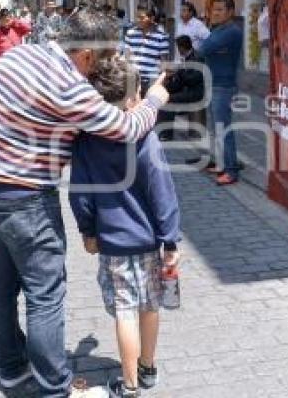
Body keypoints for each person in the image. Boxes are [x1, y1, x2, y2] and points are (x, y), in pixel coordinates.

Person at [0, 10, 170, 398]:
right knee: (45, 297)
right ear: (89, 56)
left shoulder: (20, 55)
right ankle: (56, 389)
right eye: (106, 59)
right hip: (24, 200)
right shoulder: (68, 85)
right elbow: (126, 128)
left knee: (0, 287)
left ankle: (12, 370)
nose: (105, 69)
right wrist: (154, 100)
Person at [69, 55, 181, 398]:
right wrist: (171, 241)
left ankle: (129, 385)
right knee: (149, 306)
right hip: (147, 241)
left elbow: (81, 193)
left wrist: (87, 231)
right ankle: (147, 369)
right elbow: (162, 192)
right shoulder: (146, 139)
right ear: (134, 98)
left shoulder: (86, 140)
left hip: (112, 242)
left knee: (125, 311)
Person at [199, 0, 243, 186]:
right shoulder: (218, 29)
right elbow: (207, 48)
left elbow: (204, 48)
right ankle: (221, 163)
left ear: (231, 12)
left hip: (223, 87)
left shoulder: (231, 31)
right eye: (213, 9)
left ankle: (231, 171)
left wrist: (211, 47)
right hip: (213, 84)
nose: (214, 13)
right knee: (217, 128)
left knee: (223, 129)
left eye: (219, 10)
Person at [158, 35, 205, 141]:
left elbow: (193, 79)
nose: (178, 50)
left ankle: (166, 134)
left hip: (196, 92)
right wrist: (167, 87)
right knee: (165, 96)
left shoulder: (197, 58)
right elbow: (180, 81)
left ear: (182, 48)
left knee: (168, 101)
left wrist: (179, 71)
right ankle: (163, 131)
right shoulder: (186, 58)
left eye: (178, 48)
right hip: (187, 89)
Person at [123, 5, 170, 95]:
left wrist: (161, 81)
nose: (138, 20)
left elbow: (164, 61)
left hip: (152, 80)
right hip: (134, 80)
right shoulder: (130, 33)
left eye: (142, 17)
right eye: (137, 17)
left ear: (151, 18)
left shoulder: (161, 36)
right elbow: (127, 57)